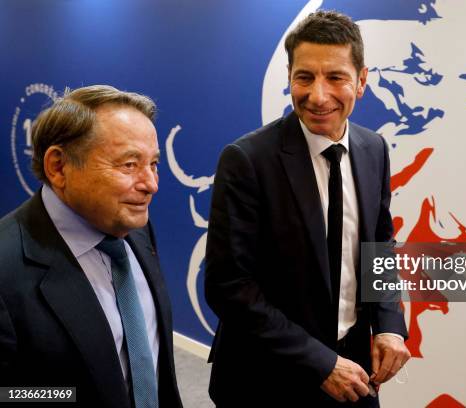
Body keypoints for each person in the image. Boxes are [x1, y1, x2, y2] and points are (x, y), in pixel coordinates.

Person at [204, 10, 409, 407]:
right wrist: (321, 363)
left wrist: (388, 325)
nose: (318, 95)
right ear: (289, 77)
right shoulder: (246, 159)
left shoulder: (373, 150)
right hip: (265, 377)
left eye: (335, 77)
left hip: (353, 368)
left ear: (361, 81)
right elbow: (229, 286)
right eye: (304, 77)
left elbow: (379, 246)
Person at [0, 85, 183, 408]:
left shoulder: (135, 227)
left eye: (153, 164)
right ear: (58, 166)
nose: (150, 184)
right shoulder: (6, 266)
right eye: (128, 165)